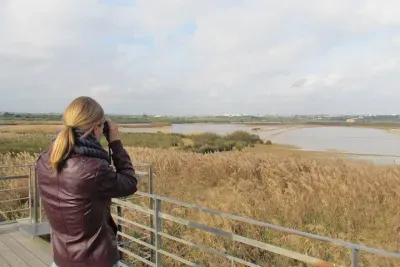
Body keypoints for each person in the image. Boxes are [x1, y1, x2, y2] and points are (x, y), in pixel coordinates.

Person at [35, 96, 138, 267]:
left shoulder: (45, 161)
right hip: (96, 261)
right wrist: (115, 140)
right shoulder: (94, 169)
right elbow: (129, 183)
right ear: (96, 127)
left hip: (61, 260)